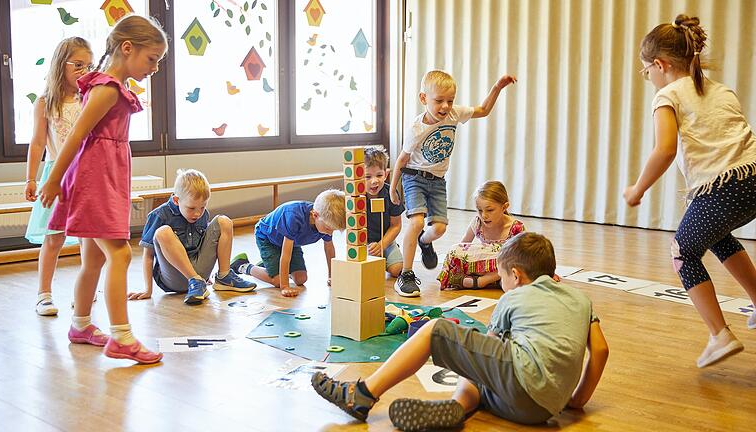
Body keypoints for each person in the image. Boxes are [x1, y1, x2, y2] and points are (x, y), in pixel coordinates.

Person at [311, 232, 608, 430]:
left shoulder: (514, 296)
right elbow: (601, 351)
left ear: (516, 276)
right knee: (487, 361)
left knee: (435, 330)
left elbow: (484, 352)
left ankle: (362, 393)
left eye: (502, 276)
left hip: (521, 382)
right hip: (540, 411)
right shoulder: (581, 299)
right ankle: (456, 409)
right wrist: (576, 401)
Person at [624, 14, 756, 368]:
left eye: (646, 70)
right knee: (716, 236)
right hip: (753, 180)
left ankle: (719, 334)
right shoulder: (720, 89)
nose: (646, 77)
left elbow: (665, 150)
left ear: (660, 64)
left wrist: (637, 189)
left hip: (724, 187)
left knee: (682, 250)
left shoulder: (667, 95)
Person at [39, 15, 167, 364]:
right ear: (127, 48)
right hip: (95, 180)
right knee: (121, 255)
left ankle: (80, 325)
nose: (154, 68)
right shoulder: (107, 88)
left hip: (103, 176)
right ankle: (122, 336)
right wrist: (52, 179)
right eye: (151, 58)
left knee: (93, 258)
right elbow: (77, 135)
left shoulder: (109, 86)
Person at [389, 69, 517, 297]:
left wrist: (497, 87)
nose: (445, 106)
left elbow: (484, 110)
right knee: (417, 221)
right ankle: (406, 275)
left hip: (437, 181)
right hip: (414, 177)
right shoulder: (416, 129)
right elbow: (402, 159)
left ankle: (424, 242)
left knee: (438, 228)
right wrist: (393, 187)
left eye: (450, 101)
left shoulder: (454, 115)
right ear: (423, 99)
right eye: (439, 101)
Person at [24, 37, 92, 316]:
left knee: (90, 237)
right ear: (60, 64)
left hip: (86, 174)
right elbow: (38, 142)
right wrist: (31, 178)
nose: (83, 70)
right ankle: (44, 293)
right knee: (54, 237)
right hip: (56, 175)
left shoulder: (90, 98)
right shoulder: (45, 102)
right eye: (77, 64)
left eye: (88, 65)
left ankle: (85, 290)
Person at [129, 169, 257, 305]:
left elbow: (205, 245)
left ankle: (224, 277)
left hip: (200, 274)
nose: (197, 213)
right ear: (176, 200)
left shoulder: (203, 214)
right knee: (163, 232)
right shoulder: (159, 215)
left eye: (202, 207)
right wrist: (148, 290)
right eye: (191, 208)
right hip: (174, 278)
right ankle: (195, 280)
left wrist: (204, 273)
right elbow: (148, 256)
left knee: (224, 221)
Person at [231, 189, 345, 297]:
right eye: (328, 228)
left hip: (292, 242)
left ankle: (268, 265)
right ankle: (242, 265)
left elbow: (329, 249)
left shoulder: (326, 221)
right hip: (267, 238)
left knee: (301, 279)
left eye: (333, 230)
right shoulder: (294, 217)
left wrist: (331, 276)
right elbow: (286, 255)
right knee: (278, 281)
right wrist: (284, 286)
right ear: (315, 215)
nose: (330, 233)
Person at [437, 181, 524, 290]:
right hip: (485, 268)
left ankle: (483, 281)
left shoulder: (516, 227)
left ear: (504, 207)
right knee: (455, 250)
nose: (484, 215)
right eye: (479, 210)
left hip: (505, 269)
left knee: (512, 260)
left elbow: (522, 258)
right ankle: (485, 280)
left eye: (490, 210)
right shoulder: (477, 222)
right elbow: (463, 245)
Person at [363, 146, 404, 277]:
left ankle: (388, 255)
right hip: (364, 243)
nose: (374, 181)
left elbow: (396, 225)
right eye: (367, 177)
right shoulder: (355, 198)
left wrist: (382, 245)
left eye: (379, 175)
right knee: (369, 273)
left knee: (397, 270)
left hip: (386, 239)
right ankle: (380, 259)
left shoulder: (391, 194)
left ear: (386, 174)